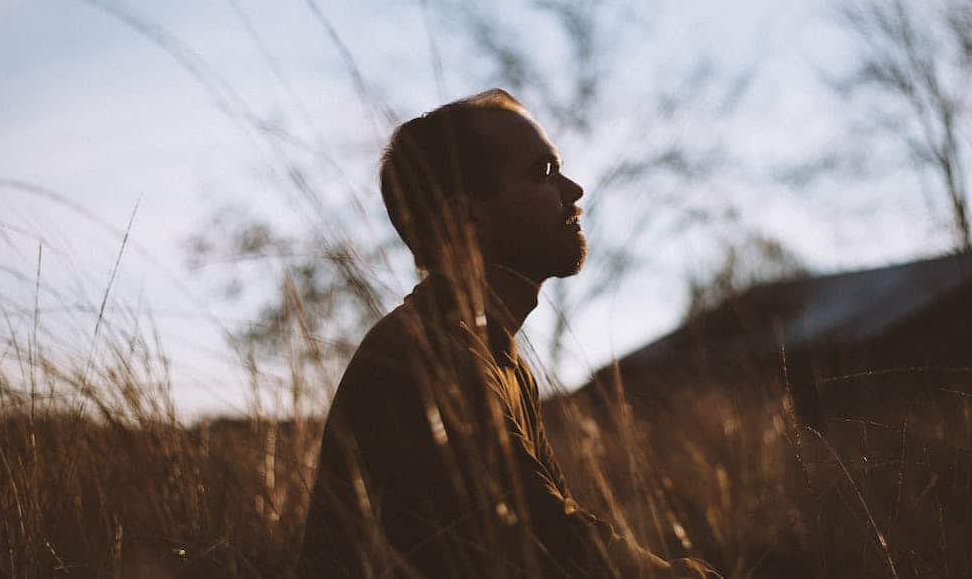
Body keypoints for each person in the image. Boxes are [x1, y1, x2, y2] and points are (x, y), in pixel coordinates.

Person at [296, 89, 721, 578]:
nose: (574, 190)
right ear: (466, 218)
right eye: (544, 172)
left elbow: (552, 522)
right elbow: (550, 539)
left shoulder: (501, 357)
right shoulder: (428, 355)